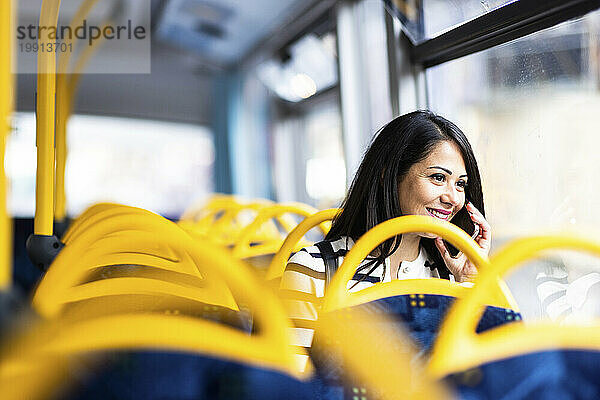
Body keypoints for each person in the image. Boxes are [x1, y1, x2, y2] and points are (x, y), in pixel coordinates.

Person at [279, 110, 491, 368]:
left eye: (460, 184)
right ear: (387, 174)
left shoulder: (446, 277)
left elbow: (472, 376)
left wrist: (469, 282)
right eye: (438, 178)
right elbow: (294, 387)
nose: (454, 198)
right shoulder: (315, 270)